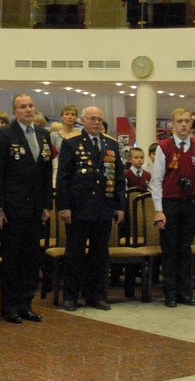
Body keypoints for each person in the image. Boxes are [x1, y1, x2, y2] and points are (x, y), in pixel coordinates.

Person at [0, 93, 53, 323]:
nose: (28, 110)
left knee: (30, 259)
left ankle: (26, 304)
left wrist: (47, 204)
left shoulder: (43, 135)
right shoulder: (4, 134)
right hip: (12, 208)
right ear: (14, 111)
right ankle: (10, 307)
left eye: (31, 106)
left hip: (35, 207)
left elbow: (46, 173)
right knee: (12, 258)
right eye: (23, 107)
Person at [58, 105, 127, 310]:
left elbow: (119, 177)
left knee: (100, 254)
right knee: (74, 253)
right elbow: (63, 178)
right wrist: (64, 207)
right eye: (92, 118)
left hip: (104, 207)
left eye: (99, 119)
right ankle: (71, 296)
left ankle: (96, 295)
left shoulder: (111, 145)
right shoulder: (71, 144)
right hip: (79, 208)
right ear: (84, 121)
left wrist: (120, 206)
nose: (96, 122)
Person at [149, 108, 195, 308]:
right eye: (179, 121)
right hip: (169, 203)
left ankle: (185, 292)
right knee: (170, 249)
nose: (183, 124)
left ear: (191, 124)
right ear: (172, 124)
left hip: (191, 203)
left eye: (187, 121)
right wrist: (158, 210)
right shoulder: (164, 147)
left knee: (185, 249)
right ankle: (170, 293)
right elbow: (156, 180)